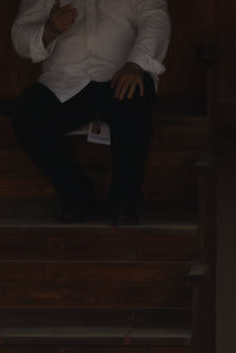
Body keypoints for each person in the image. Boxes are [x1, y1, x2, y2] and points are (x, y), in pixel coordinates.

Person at [11, 0, 171, 223]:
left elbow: (156, 21)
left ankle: (123, 204)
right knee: (27, 113)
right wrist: (50, 30)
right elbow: (20, 37)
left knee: (135, 96)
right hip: (65, 82)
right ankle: (79, 198)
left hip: (120, 74)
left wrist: (135, 65)